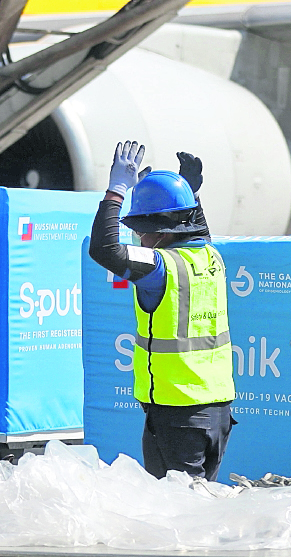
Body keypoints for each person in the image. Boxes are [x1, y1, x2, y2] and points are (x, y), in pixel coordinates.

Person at [88, 140, 235, 480]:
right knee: (197, 504)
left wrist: (115, 192)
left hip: (177, 414)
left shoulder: (160, 266)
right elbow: (199, 233)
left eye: (138, 227)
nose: (136, 235)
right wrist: (190, 197)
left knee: (180, 515)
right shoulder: (210, 257)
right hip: (218, 412)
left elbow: (105, 250)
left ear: (155, 230)